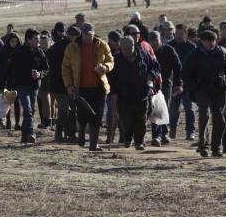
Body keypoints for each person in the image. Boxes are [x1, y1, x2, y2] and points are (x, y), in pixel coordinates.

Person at [183, 29, 226, 157]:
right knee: (204, 116)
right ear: (202, 41)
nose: (210, 43)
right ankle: (204, 146)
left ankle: (216, 147)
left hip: (219, 89)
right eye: (207, 41)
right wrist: (194, 87)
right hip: (202, 89)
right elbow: (186, 73)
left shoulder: (222, 52)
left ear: (216, 40)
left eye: (212, 40)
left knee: (219, 119)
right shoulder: (195, 54)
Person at [62, 23, 114, 151]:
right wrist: (69, 85)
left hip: (99, 87)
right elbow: (65, 68)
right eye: (86, 35)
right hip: (80, 88)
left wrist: (105, 67)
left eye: (91, 35)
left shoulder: (102, 44)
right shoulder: (72, 47)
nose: (89, 38)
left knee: (97, 115)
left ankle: (93, 144)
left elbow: (111, 60)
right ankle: (81, 134)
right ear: (82, 34)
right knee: (82, 115)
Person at [110, 36, 161, 150]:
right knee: (126, 120)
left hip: (141, 93)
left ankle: (139, 142)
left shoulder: (144, 55)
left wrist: (151, 75)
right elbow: (112, 78)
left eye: (129, 49)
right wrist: (113, 92)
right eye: (124, 50)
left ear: (134, 46)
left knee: (141, 120)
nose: (127, 52)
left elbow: (156, 67)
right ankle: (127, 138)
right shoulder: (116, 59)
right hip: (124, 95)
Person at [7, 29, 49, 143]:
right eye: (36, 39)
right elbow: (10, 68)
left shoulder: (39, 52)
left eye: (39, 39)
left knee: (31, 111)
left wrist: (40, 74)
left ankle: (24, 136)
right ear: (28, 39)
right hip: (21, 86)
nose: (38, 42)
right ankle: (31, 133)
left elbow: (46, 68)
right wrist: (10, 84)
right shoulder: (18, 52)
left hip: (34, 86)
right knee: (28, 109)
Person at [149, 31, 181, 147]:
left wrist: (178, 83)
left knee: (164, 108)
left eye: (156, 41)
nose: (154, 44)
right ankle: (156, 135)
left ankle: (163, 134)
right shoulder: (147, 51)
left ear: (160, 39)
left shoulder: (168, 50)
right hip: (151, 84)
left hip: (166, 84)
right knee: (155, 109)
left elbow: (177, 67)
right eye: (152, 42)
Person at [49, 26, 79, 142]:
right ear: (71, 36)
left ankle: (70, 133)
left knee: (72, 110)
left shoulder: (72, 46)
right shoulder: (59, 47)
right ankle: (59, 132)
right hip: (60, 85)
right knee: (64, 109)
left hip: (69, 84)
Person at [168, 24, 197, 141]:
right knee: (174, 109)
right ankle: (172, 130)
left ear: (186, 33)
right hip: (173, 83)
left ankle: (190, 132)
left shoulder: (192, 47)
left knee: (189, 108)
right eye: (177, 33)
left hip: (188, 83)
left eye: (181, 33)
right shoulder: (169, 46)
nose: (179, 36)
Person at [0, 32, 22, 130]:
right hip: (5, 80)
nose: (14, 43)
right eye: (12, 41)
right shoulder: (4, 51)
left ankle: (17, 123)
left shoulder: (20, 52)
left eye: (16, 41)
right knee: (6, 101)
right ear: (9, 41)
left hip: (17, 80)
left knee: (16, 102)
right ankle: (7, 121)